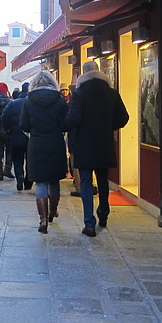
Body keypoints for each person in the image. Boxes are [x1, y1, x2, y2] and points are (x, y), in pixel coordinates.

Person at [63, 61, 129, 237]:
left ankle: (89, 223)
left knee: (85, 181)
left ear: (82, 75)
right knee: (103, 179)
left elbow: (72, 120)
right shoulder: (111, 94)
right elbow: (124, 118)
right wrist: (108, 126)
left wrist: (61, 127)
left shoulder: (79, 94)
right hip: (104, 142)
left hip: (84, 143)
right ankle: (103, 213)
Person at [20, 70, 68, 233]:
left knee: (40, 181)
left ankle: (43, 220)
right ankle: (53, 212)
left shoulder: (28, 101)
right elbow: (67, 122)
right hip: (55, 142)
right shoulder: (60, 100)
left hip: (36, 143)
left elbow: (24, 125)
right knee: (54, 180)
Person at [2, 85, 30, 191]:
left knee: (17, 159)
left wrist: (8, 130)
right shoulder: (32, 103)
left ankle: (19, 176)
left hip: (15, 137)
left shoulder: (13, 103)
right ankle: (28, 182)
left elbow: (4, 117)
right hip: (30, 137)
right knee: (30, 160)